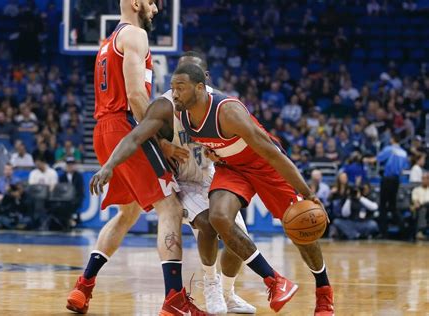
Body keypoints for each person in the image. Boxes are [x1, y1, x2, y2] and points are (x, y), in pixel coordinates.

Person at [93, 64, 334, 314]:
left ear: (200, 87)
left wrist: (308, 194)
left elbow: (273, 154)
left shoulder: (227, 111)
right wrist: (112, 164)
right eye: (172, 88)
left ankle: (324, 292)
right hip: (230, 168)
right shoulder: (181, 112)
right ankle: (273, 281)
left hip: (265, 166)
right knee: (217, 218)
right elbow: (136, 136)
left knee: (301, 230)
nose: (174, 94)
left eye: (180, 88)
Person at [66, 2, 206, 315]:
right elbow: (136, 95)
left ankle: (83, 287)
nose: (156, 8)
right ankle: (175, 299)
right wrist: (161, 141)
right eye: (152, 1)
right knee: (169, 205)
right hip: (125, 126)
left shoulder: (107, 43)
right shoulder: (135, 35)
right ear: (135, 3)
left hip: (103, 129)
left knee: (128, 214)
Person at [90, 51, 255, 314]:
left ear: (203, 81)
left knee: (239, 239)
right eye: (178, 80)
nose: (180, 88)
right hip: (182, 181)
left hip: (211, 176)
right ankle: (210, 284)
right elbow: (137, 136)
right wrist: (114, 163)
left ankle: (228, 293)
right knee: (207, 224)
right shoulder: (166, 106)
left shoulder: (221, 106)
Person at [366, 134, 409, 238]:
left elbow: (377, 159)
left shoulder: (390, 149)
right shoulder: (404, 153)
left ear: (393, 139)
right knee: (393, 207)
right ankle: (405, 230)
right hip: (396, 180)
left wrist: (365, 160)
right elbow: (405, 167)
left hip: (387, 180)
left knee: (383, 207)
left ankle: (383, 233)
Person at [59, 157, 84, 227]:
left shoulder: (79, 177)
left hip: (75, 199)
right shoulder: (62, 177)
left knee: (71, 204)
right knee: (62, 205)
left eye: (72, 164)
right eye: (68, 164)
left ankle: (70, 221)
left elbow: (80, 191)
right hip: (64, 200)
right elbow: (60, 190)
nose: (70, 166)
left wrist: (76, 199)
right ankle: (69, 221)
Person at [411, 172, 429, 240]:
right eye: (423, 179)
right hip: (421, 208)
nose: (425, 180)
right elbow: (415, 201)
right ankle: (420, 232)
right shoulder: (416, 190)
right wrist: (417, 204)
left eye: (427, 178)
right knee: (422, 208)